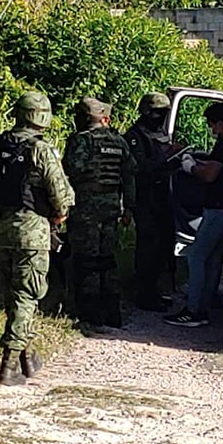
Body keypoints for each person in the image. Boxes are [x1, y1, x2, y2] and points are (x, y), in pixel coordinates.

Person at [0, 91, 75, 386]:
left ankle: (27, 357)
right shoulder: (42, 150)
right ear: (43, 117)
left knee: (14, 296)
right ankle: (8, 366)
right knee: (26, 296)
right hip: (32, 235)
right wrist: (61, 215)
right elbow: (61, 195)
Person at [63, 97, 137, 329]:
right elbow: (129, 176)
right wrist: (129, 208)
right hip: (112, 207)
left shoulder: (81, 140)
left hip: (86, 208)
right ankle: (112, 311)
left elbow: (72, 169)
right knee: (107, 259)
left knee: (87, 259)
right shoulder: (119, 141)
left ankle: (90, 314)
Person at [165, 102, 223, 328]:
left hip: (216, 208)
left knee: (196, 256)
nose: (211, 130)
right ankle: (205, 304)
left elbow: (210, 175)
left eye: (212, 125)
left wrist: (189, 166)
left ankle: (193, 310)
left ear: (221, 123)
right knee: (213, 259)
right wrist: (196, 160)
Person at [125, 92, 180, 312]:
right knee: (148, 247)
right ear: (147, 112)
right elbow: (140, 167)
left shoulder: (160, 133)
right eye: (158, 112)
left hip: (162, 196)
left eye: (164, 112)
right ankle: (144, 294)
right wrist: (167, 156)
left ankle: (154, 290)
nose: (161, 117)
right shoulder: (135, 136)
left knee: (163, 246)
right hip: (145, 198)